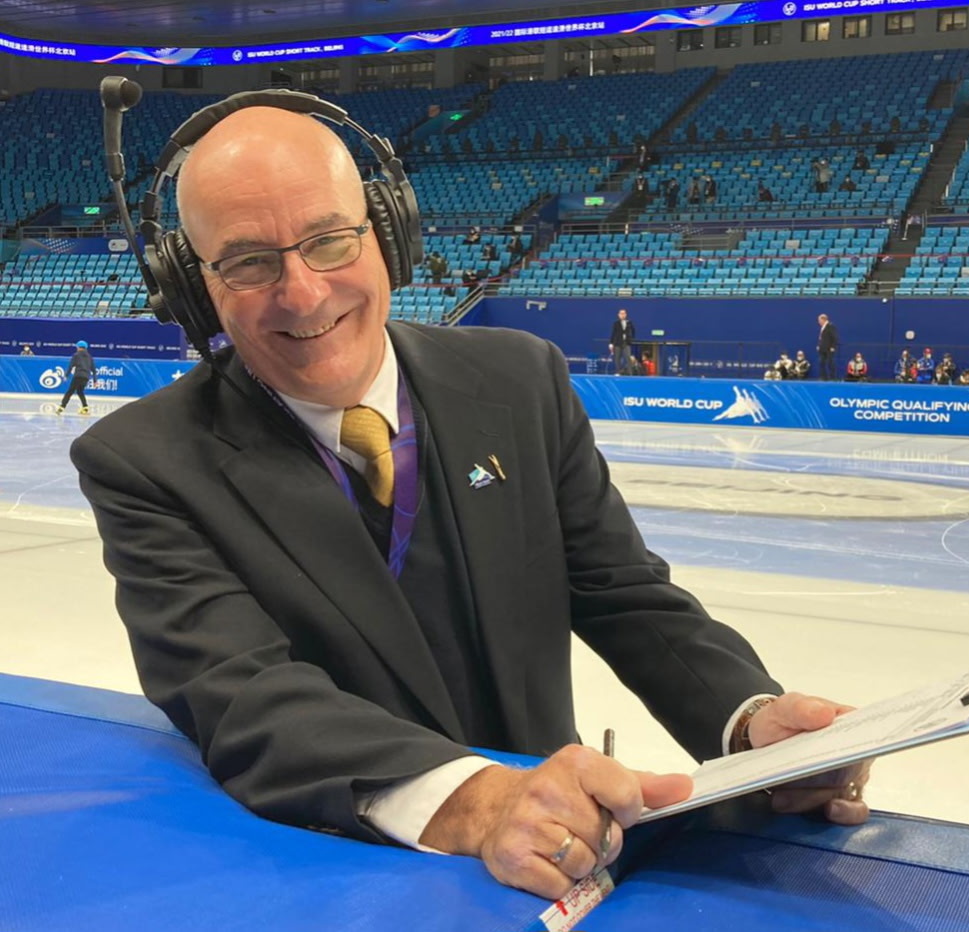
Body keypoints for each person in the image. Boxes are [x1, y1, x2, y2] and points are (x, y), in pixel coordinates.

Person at [70, 104, 870, 902]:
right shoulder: (144, 462)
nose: (304, 294)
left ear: (388, 233)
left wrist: (750, 725)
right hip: (335, 881)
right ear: (193, 285)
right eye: (248, 263)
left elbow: (626, 595)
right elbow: (242, 698)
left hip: (556, 858)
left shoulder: (521, 380)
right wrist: (480, 802)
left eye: (330, 240)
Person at [57, 339, 95, 415]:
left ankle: (62, 407)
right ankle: (85, 407)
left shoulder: (76, 355)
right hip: (86, 377)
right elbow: (93, 369)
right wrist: (95, 381)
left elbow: (71, 366)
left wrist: (66, 375)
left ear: (78, 347)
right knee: (80, 391)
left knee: (70, 392)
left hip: (78, 376)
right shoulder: (89, 357)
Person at [609, 307, 636, 375]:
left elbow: (633, 331)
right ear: (618, 315)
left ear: (626, 315)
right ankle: (618, 372)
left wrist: (631, 339)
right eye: (621, 314)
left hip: (626, 343)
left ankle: (630, 373)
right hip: (618, 343)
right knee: (617, 358)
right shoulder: (616, 323)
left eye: (624, 313)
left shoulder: (629, 323)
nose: (622, 315)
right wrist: (611, 343)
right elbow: (613, 333)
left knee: (628, 357)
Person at [816, 314, 839, 381]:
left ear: (823, 319)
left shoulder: (830, 326)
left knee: (830, 363)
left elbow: (835, 337)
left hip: (829, 349)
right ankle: (823, 377)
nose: (818, 322)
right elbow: (822, 338)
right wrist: (819, 345)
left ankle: (832, 377)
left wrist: (833, 347)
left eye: (819, 320)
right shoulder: (822, 327)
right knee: (822, 363)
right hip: (822, 349)